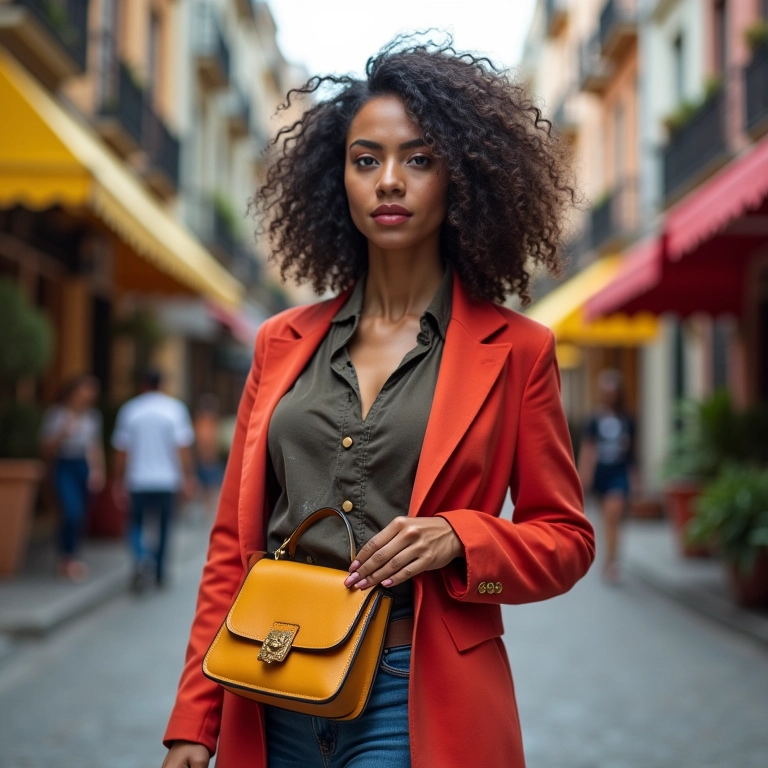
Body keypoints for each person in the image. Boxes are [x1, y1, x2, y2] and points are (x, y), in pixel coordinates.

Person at [162, 37, 595, 768]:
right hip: (267, 681)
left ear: (461, 178)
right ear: (340, 180)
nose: (389, 180)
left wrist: (464, 540)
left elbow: (567, 541)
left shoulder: (517, 350)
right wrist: (192, 724)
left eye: (418, 159)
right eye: (366, 160)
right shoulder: (279, 342)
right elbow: (230, 554)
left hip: (415, 691)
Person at [111, 368, 196, 591]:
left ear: (142, 385)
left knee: (136, 524)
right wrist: (188, 477)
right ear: (162, 384)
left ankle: (141, 558)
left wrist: (118, 480)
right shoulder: (174, 410)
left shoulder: (131, 410)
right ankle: (159, 570)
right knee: (164, 527)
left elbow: (122, 450)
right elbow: (182, 448)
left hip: (138, 479)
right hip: (167, 480)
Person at [40, 374, 105, 582]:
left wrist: (98, 470)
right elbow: (45, 448)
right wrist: (62, 433)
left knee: (80, 512)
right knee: (71, 510)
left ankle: (71, 555)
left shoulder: (92, 416)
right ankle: (67, 556)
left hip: (82, 465)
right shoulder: (57, 415)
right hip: (64, 464)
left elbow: (94, 446)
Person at [578, 369, 636, 584]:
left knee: (614, 512)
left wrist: (635, 478)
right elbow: (588, 448)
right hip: (601, 473)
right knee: (607, 520)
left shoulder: (628, 419)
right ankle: (609, 557)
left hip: (619, 472)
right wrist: (584, 476)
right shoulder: (594, 419)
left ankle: (612, 561)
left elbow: (633, 452)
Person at [192, 393, 224, 519]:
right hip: (206, 460)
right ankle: (208, 509)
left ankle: (208, 509)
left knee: (209, 487)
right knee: (207, 486)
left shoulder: (208, 423)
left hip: (208, 459)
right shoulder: (204, 424)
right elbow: (205, 443)